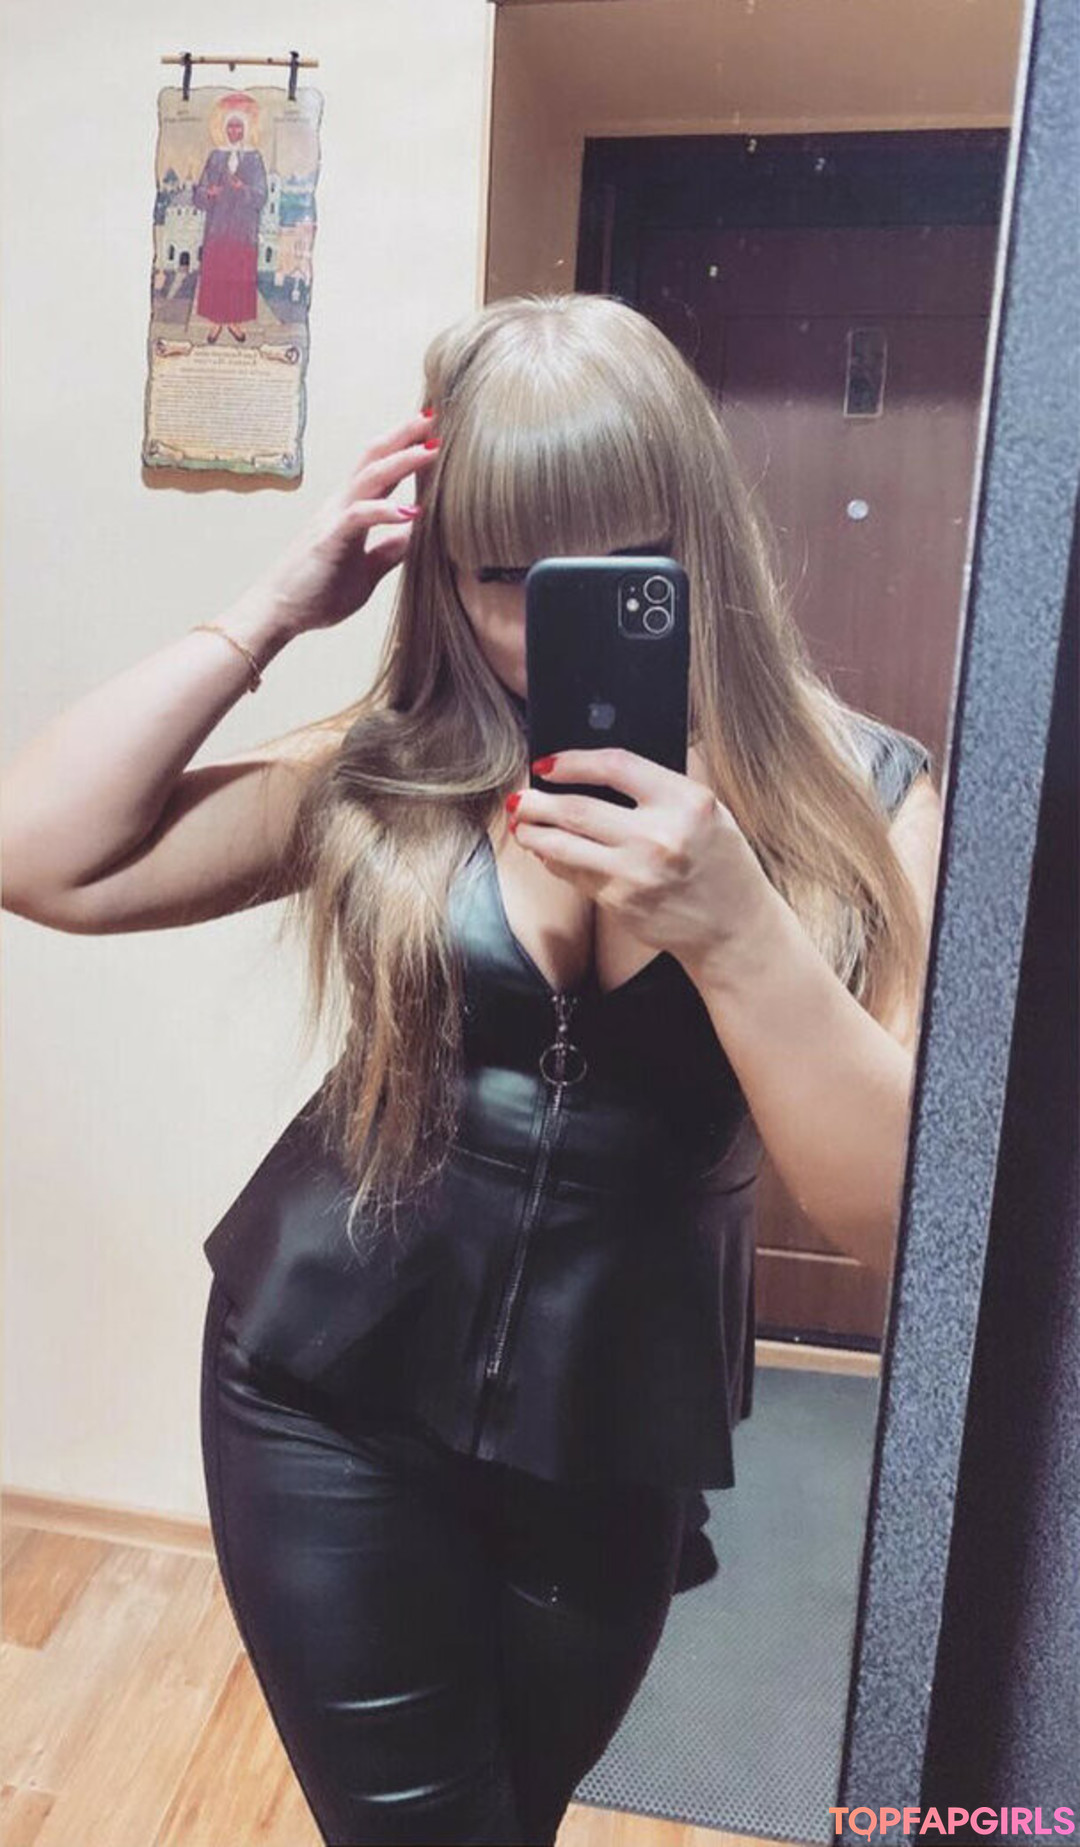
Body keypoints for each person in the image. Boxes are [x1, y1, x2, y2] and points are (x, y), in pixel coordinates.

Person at [0, 292, 941, 1846]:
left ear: (703, 539)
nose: (548, 616)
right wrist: (271, 611)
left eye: (627, 558)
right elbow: (43, 854)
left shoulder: (866, 801)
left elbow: (897, 1218)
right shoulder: (399, 764)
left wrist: (738, 931)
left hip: (611, 1437)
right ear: (443, 568)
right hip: (322, 1391)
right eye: (506, 573)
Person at [192, 93, 268, 345]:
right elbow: (199, 192)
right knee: (217, 274)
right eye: (230, 127)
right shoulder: (216, 157)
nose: (234, 131)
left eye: (239, 127)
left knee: (238, 274)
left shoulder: (254, 158)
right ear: (224, 129)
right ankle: (216, 322)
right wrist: (209, 193)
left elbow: (261, 195)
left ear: (245, 129)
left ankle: (234, 321)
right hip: (218, 228)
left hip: (242, 230)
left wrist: (242, 188)